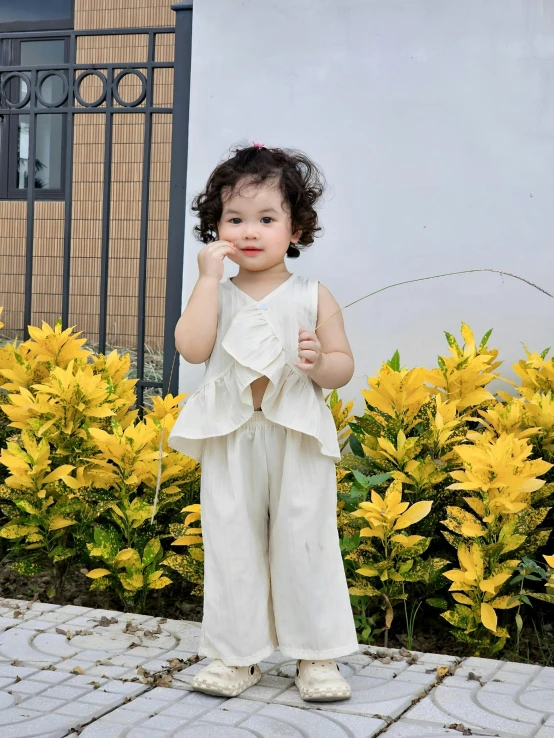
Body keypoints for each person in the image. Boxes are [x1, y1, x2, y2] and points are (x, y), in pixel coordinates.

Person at [168, 143, 358, 702]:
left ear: (295, 230)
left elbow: (342, 365)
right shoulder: (217, 295)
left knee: (306, 539)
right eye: (235, 219)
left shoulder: (312, 295)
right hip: (232, 436)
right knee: (231, 539)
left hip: (296, 435)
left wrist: (319, 363)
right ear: (216, 229)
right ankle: (237, 655)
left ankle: (315, 655)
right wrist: (206, 281)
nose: (250, 232)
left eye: (267, 219)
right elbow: (192, 348)